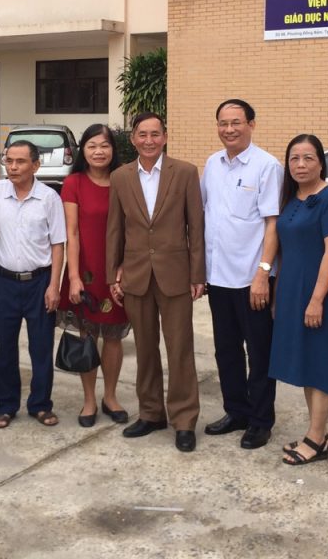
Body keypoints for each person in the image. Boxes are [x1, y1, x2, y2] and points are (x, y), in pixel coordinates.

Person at [106, 112, 206, 453]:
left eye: (155, 134)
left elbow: (196, 226)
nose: (148, 140)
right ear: (133, 138)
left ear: (165, 136)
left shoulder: (186, 172)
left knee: (180, 350)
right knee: (145, 349)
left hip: (176, 275)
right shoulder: (120, 177)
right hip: (136, 275)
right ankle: (150, 413)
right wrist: (112, 274)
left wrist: (197, 274)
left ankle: (184, 420)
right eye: (142, 134)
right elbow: (115, 229)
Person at [200, 100, 280, 450]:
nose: (229, 129)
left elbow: (272, 223)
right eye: (223, 123)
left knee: (259, 353)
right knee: (226, 351)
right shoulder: (212, 164)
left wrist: (263, 273)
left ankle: (261, 421)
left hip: (252, 280)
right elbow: (204, 214)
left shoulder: (267, 166)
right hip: (218, 277)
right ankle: (236, 411)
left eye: (236, 122)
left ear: (251, 124)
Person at [269, 134, 328, 465]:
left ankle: (316, 439)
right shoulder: (291, 197)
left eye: (308, 158)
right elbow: (284, 251)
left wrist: (317, 299)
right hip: (292, 290)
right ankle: (317, 433)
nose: (300, 165)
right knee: (305, 362)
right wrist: (278, 294)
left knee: (320, 363)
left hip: (319, 292)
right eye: (294, 158)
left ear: (320, 163)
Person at [0, 140, 66, 429]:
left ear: (35, 165)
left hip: (39, 282)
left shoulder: (49, 198)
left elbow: (58, 244)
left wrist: (54, 285)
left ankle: (40, 404)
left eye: (20, 161)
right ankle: (5, 405)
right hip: (3, 281)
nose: (13, 167)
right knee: (3, 348)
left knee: (41, 347)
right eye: (9, 161)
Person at [57, 124, 130, 427]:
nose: (99, 152)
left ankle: (110, 396)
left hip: (117, 270)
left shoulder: (124, 179)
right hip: (86, 270)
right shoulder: (73, 182)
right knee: (87, 335)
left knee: (113, 337)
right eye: (92, 146)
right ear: (82, 150)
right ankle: (89, 399)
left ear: (113, 149)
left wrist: (125, 268)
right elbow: (71, 233)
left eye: (105, 145)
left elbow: (132, 228)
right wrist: (73, 276)